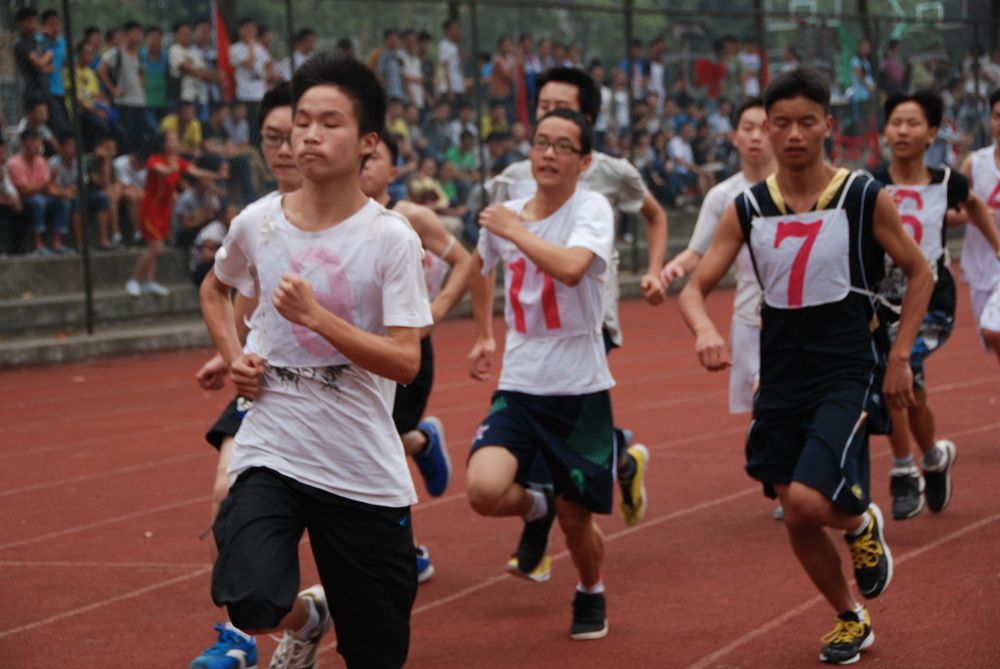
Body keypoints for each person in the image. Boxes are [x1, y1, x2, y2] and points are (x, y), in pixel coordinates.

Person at [677, 67, 932, 665]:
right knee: (795, 512)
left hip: (846, 368)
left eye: (806, 122)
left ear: (828, 127)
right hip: (781, 374)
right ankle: (850, 617)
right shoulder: (747, 207)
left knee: (813, 502)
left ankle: (861, 522)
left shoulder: (862, 196)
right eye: (782, 123)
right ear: (767, 129)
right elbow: (694, 288)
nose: (793, 134)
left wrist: (899, 356)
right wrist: (705, 328)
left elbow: (921, 272)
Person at [199, 54, 429, 669]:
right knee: (250, 596)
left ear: (368, 141)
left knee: (377, 653)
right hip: (274, 446)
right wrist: (234, 356)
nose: (308, 136)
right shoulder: (258, 223)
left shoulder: (389, 238)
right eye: (301, 122)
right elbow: (214, 288)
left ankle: (332, 617)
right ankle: (305, 620)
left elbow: (406, 361)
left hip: (359, 464)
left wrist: (317, 318)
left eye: (330, 123)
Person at [490, 66, 667, 581]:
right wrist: (482, 331)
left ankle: (536, 539)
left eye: (561, 107)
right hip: (532, 320)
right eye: (543, 107)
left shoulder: (611, 173)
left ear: (586, 118)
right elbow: (491, 247)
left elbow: (655, 215)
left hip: (590, 317)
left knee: (556, 419)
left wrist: (655, 269)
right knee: (548, 425)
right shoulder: (514, 176)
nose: (549, 115)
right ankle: (620, 456)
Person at [466, 108, 616, 640]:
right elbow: (479, 267)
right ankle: (536, 506)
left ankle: (591, 589)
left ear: (584, 161)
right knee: (483, 490)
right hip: (520, 382)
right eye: (540, 143)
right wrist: (484, 333)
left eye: (562, 146)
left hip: (579, 390)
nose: (548, 154)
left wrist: (515, 229)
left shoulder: (591, 208)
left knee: (578, 521)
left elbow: (572, 268)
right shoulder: (505, 215)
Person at [189, 83, 301, 669]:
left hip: (336, 393)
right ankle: (237, 635)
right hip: (263, 387)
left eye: (293, 136)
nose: (283, 149)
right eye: (270, 138)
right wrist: (230, 354)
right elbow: (235, 288)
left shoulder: (359, 222)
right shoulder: (256, 219)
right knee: (224, 490)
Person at [873, 90, 1000, 519]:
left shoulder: (947, 182)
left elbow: (976, 206)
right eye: (895, 122)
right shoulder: (869, 184)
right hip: (883, 301)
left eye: (913, 123)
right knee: (912, 390)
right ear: (885, 131)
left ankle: (903, 471)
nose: (902, 131)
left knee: (892, 372)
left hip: (933, 303)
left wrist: (998, 248)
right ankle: (933, 457)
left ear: (931, 134)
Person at [360, 132, 475, 581]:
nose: (363, 165)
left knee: (376, 450)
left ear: (393, 171)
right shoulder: (333, 221)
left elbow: (466, 262)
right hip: (354, 350)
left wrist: (435, 312)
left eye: (374, 158)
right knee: (365, 446)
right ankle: (422, 441)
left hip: (405, 349)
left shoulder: (412, 217)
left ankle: (407, 552)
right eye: (359, 157)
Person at [661, 96, 779, 514]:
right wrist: (669, 271)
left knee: (778, 400)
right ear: (734, 136)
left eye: (765, 127)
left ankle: (785, 465)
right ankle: (780, 464)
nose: (756, 136)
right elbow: (698, 252)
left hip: (797, 318)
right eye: (747, 128)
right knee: (767, 404)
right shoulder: (724, 196)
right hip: (749, 319)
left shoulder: (800, 188)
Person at [126, 130, 218, 298]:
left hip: (165, 211)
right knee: (156, 248)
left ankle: (149, 281)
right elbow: (162, 170)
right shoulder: (155, 159)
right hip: (151, 210)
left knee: (156, 249)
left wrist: (217, 175)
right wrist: (172, 167)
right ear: (163, 144)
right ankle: (133, 279)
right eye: (171, 140)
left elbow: (195, 171)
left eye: (176, 140)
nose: (175, 143)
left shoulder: (179, 161)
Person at [959, 89, 1000, 364]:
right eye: (997, 116)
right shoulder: (974, 164)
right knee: (990, 335)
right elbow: (949, 211)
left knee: (993, 329)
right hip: (980, 266)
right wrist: (973, 214)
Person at [97, 20, 146, 154]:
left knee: (139, 137)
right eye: (135, 32)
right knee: (126, 137)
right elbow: (101, 69)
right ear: (126, 34)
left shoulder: (138, 54)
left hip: (139, 101)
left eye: (139, 33)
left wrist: (140, 87)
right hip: (124, 102)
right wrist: (113, 89)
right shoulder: (116, 52)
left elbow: (142, 74)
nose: (138, 36)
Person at [7, 128, 58, 255]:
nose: (37, 145)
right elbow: (25, 191)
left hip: (39, 197)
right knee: (38, 202)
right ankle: (38, 243)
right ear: (24, 143)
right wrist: (48, 182)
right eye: (33, 142)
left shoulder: (40, 161)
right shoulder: (14, 163)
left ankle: (57, 243)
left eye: (39, 142)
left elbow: (48, 187)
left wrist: (63, 193)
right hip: (21, 200)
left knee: (62, 202)